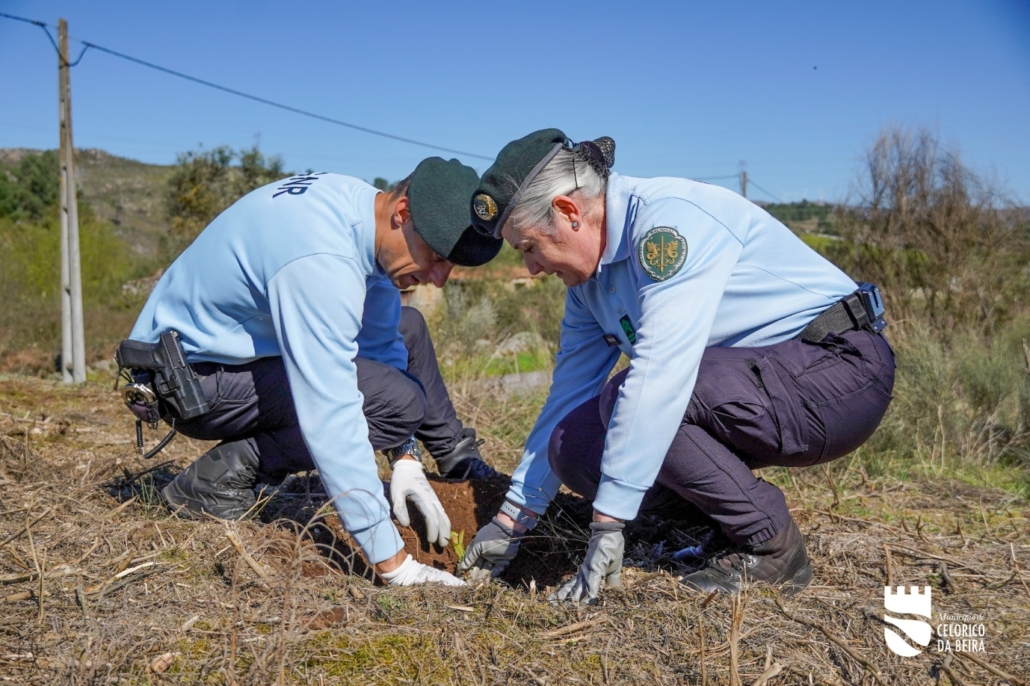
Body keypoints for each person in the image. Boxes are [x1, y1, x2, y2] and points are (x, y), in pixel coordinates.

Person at [457, 129, 894, 602]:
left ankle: (772, 546)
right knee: (574, 440)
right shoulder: (586, 287)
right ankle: (703, 528)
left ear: (568, 213)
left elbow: (662, 372)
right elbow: (567, 395)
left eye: (528, 247)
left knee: (630, 396)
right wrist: (511, 521)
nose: (531, 269)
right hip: (755, 384)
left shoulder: (668, 226)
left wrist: (607, 523)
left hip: (837, 372)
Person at [124, 158, 502, 586]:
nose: (439, 278)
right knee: (399, 403)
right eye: (436, 257)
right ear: (402, 214)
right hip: (187, 379)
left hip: (223, 359)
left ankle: (455, 459)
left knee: (408, 327)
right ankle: (224, 476)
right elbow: (331, 410)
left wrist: (405, 457)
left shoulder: (362, 215)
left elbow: (381, 344)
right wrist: (394, 563)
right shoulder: (321, 258)